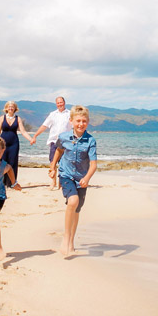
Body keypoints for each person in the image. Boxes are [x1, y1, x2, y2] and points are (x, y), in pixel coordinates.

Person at [49, 105, 97, 258]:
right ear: (71, 121)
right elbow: (58, 150)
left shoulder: (90, 141)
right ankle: (65, 238)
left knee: (76, 210)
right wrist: (53, 167)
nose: (81, 124)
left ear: (88, 122)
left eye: (84, 121)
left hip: (81, 178)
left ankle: (71, 241)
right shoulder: (63, 137)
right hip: (66, 174)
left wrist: (87, 178)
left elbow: (94, 164)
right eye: (78, 121)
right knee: (72, 201)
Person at [30, 96, 71, 190]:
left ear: (64, 103)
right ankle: (53, 182)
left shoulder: (69, 114)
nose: (60, 104)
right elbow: (44, 126)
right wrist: (35, 136)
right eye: (58, 103)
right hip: (54, 141)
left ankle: (61, 183)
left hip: (66, 141)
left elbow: (74, 126)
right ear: (56, 104)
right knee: (52, 162)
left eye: (61, 102)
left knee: (64, 163)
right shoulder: (52, 114)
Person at [0, 101, 32, 182]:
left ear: (15, 108)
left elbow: (23, 131)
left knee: (13, 162)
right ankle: (1, 182)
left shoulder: (18, 118)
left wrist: (31, 139)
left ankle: (12, 182)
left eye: (12, 106)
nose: (10, 108)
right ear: (6, 108)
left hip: (14, 144)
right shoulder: (2, 118)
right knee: (2, 162)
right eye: (9, 106)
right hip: (3, 144)